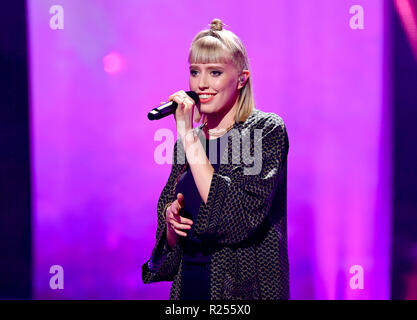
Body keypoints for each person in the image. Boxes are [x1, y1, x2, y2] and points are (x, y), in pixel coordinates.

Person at [142, 18, 289, 300]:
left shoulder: (265, 130)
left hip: (242, 292)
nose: (201, 83)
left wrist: (186, 133)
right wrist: (172, 224)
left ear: (242, 78)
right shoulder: (188, 142)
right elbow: (171, 236)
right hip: (190, 288)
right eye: (195, 72)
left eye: (215, 72)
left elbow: (237, 217)